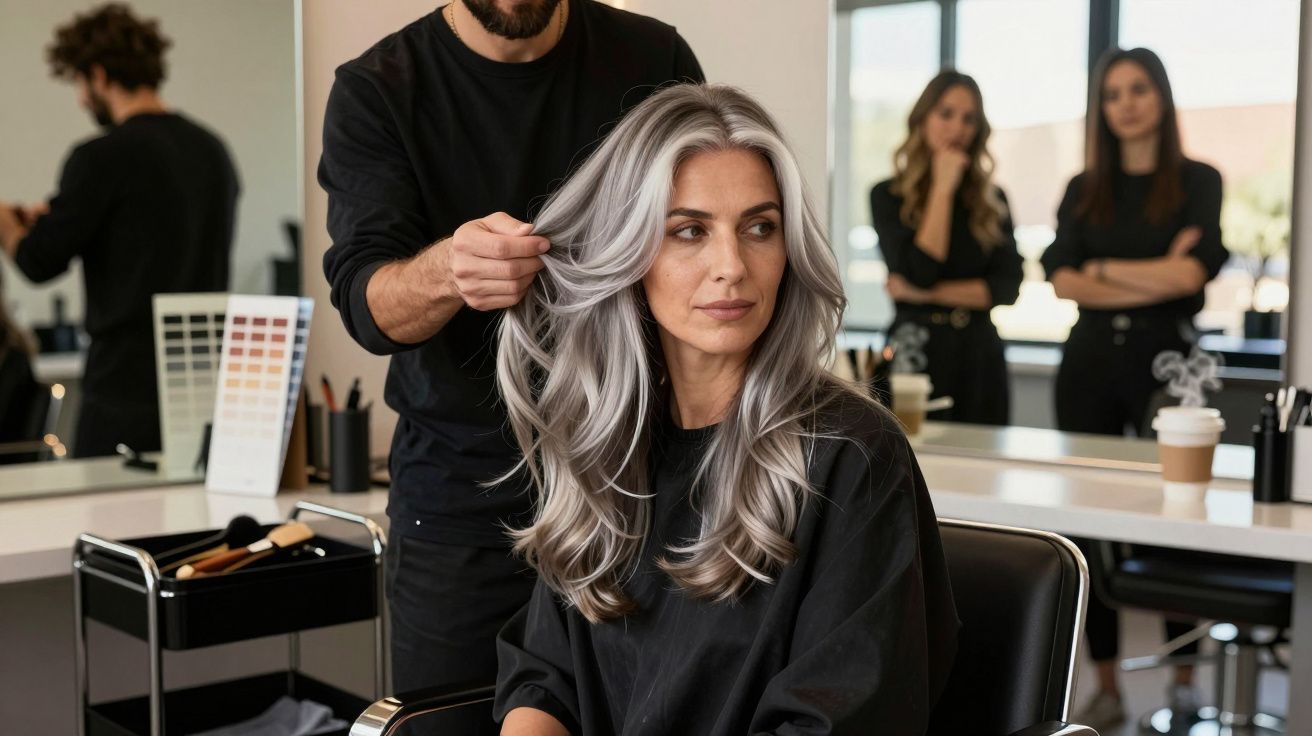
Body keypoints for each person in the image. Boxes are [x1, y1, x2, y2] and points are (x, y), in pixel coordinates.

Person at [493, 84, 959, 736]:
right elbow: (544, 681)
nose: (732, 266)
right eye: (689, 231)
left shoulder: (851, 454)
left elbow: (836, 721)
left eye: (759, 228)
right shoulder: (611, 443)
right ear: (630, 252)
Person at [317, 0, 704, 722]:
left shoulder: (655, 63)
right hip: (463, 511)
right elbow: (367, 304)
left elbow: (697, 231)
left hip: (633, 491)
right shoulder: (378, 89)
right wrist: (446, 273)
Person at [1040, 47, 1230, 731]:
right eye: (1113, 92)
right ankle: (1108, 683)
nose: (1126, 103)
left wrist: (1104, 267)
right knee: (1086, 524)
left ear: (1161, 97)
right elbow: (1062, 280)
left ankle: (1183, 680)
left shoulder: (1198, 181)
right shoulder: (1082, 187)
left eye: (1139, 89)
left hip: (1167, 362)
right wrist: (1158, 266)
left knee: (1182, 519)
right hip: (1088, 360)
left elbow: (1193, 279)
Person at [0, 3, 239, 458]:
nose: (80, 99)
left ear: (98, 75)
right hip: (203, 392)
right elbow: (145, 231)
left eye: (78, 84)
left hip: (124, 397)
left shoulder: (100, 158)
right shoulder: (212, 152)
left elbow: (38, 260)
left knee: (109, 526)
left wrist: (5, 225)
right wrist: (58, 215)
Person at [869, 70, 1022, 426]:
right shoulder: (887, 195)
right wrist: (942, 188)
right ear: (922, 119)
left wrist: (923, 295)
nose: (958, 128)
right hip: (914, 351)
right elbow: (920, 270)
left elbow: (1008, 287)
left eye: (969, 119)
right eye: (946, 113)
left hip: (979, 353)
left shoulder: (992, 200)